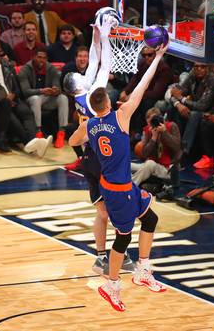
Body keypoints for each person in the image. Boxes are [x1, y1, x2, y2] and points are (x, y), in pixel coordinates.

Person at [68, 42, 170, 312]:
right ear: (109, 102)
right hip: (118, 189)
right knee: (123, 237)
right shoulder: (121, 116)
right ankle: (112, 284)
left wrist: (87, 132)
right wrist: (158, 56)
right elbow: (143, 86)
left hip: (116, 185)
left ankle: (143, 269)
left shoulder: (89, 124)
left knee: (150, 217)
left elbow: (71, 140)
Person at [63, 13, 135, 274]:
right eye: (78, 74)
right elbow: (103, 67)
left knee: (102, 212)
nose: (82, 73)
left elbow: (94, 60)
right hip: (103, 160)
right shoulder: (93, 94)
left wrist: (96, 34)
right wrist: (106, 35)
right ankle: (121, 256)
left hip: (88, 160)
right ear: (77, 84)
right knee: (115, 211)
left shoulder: (82, 95)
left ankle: (101, 257)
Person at [18, 46, 69, 147]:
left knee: (63, 98)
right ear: (33, 57)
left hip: (48, 98)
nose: (41, 60)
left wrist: (56, 90)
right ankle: (38, 132)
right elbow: (25, 92)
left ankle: (61, 133)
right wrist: (41, 91)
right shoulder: (25, 70)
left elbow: (58, 87)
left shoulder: (51, 69)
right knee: (36, 99)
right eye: (39, 57)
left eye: (44, 58)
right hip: (31, 99)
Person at [132, 107, 181, 190]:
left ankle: (129, 187)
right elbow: (144, 154)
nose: (152, 124)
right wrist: (153, 139)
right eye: (150, 122)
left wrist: (164, 132)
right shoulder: (148, 130)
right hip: (152, 167)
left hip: (167, 170)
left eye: (154, 121)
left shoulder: (171, 126)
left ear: (160, 119)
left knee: (149, 164)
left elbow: (177, 148)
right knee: (127, 164)